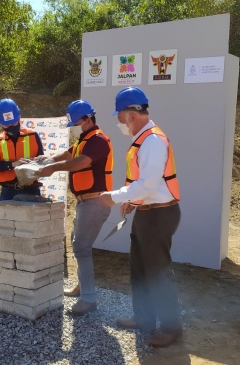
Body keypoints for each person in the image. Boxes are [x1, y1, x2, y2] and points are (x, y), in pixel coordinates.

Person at [99, 87, 182, 348]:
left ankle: (170, 328)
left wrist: (115, 196)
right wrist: (132, 203)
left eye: (120, 116)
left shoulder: (153, 141)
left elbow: (147, 185)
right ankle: (144, 318)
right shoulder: (144, 140)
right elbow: (146, 188)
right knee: (140, 269)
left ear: (131, 114)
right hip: (148, 214)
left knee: (157, 272)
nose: (120, 122)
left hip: (160, 215)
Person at [34, 100, 113, 315]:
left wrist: (52, 168)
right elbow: (69, 154)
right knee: (78, 245)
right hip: (86, 202)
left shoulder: (98, 141)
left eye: (77, 121)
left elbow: (80, 162)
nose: (75, 126)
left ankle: (88, 298)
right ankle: (83, 287)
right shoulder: (85, 139)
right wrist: (47, 159)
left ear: (87, 118)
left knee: (82, 248)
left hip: (95, 202)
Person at [0, 98, 44, 201]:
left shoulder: (32, 136)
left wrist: (32, 176)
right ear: (0, 123)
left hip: (31, 189)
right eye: (6, 124)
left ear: (19, 118)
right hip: (8, 191)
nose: (10, 127)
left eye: (13, 123)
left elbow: (41, 160)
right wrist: (12, 164)